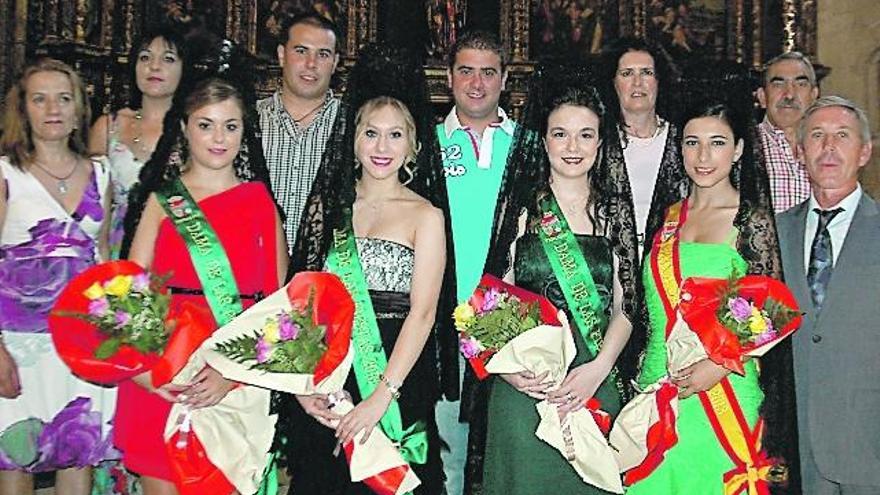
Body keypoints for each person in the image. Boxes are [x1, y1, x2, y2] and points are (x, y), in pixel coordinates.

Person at [276, 42, 450, 495]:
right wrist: (301, 385)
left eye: (396, 135)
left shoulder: (426, 216)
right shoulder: (329, 209)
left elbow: (424, 314)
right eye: (371, 133)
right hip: (331, 377)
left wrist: (380, 397)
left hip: (395, 378)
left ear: (413, 144)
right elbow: (301, 303)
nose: (382, 146)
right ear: (353, 140)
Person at [118, 44, 287, 494]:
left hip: (231, 378)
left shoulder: (260, 205)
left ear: (243, 131)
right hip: (164, 375)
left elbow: (277, 310)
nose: (218, 138)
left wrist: (232, 372)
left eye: (230, 126)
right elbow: (129, 301)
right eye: (206, 125)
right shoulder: (161, 203)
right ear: (184, 129)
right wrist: (149, 374)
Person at [627, 68, 799, 494]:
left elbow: (776, 312)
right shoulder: (666, 220)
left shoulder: (751, 221)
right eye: (692, 142)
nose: (703, 157)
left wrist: (716, 365)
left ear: (739, 150)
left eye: (717, 143)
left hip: (725, 393)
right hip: (658, 392)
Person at [470, 68, 639, 494]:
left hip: (593, 384)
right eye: (560, 134)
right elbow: (486, 306)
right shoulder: (522, 210)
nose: (572, 147)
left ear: (601, 144)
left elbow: (627, 307)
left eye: (586, 135)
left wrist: (597, 370)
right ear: (543, 140)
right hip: (527, 389)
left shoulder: (613, 216)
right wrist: (507, 371)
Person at [0, 58, 115, 495]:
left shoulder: (101, 173)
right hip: (18, 343)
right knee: (15, 455)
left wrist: (115, 335)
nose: (53, 109)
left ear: (78, 109)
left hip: (81, 340)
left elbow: (102, 258)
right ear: (23, 108)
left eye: (64, 99)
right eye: (40, 98)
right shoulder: (6, 173)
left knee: (77, 451)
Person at [777, 95, 878, 495]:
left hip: (869, 444)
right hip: (795, 448)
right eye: (817, 136)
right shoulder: (775, 233)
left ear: (865, 151)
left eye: (842, 136)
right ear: (800, 152)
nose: (829, 147)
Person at [435, 30, 515, 495]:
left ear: (505, 79)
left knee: (503, 459)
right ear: (449, 78)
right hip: (444, 330)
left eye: (489, 72)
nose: (478, 83)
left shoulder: (530, 145)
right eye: (466, 70)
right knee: (449, 459)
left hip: (512, 330)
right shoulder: (423, 145)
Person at [89, 25, 187, 259]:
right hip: (115, 251)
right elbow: (90, 203)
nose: (154, 66)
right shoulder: (107, 127)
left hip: (178, 250)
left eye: (168, 59)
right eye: (145, 57)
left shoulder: (195, 129)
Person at [258, 12, 340, 250]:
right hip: (253, 271)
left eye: (323, 54)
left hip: (327, 276)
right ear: (282, 55)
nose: (311, 64)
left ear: (335, 63)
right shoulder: (246, 121)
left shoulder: (356, 127)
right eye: (301, 51)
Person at [602, 37, 687, 250]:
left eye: (646, 73)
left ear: (659, 80)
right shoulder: (596, 140)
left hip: (671, 263)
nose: (637, 82)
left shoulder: (683, 140)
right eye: (627, 73)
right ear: (613, 83)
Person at [756, 51, 819, 213]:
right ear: (762, 97)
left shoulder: (829, 148)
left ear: (814, 96)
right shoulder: (742, 147)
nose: (789, 94)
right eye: (778, 84)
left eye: (800, 84)